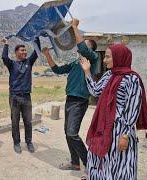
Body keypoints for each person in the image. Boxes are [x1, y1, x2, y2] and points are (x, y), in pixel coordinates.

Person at [80, 44, 147, 180]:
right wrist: (87, 72)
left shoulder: (132, 79)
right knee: (102, 160)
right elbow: (95, 91)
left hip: (120, 131)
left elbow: (133, 108)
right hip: (104, 127)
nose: (104, 60)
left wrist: (125, 135)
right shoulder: (109, 75)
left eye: (107, 56)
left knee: (120, 165)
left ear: (119, 57)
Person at [41, 18, 98, 175]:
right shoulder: (75, 63)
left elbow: (83, 48)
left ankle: (89, 165)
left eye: (85, 43)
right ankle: (75, 163)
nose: (80, 45)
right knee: (68, 133)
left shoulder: (92, 59)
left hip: (80, 101)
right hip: (70, 100)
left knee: (72, 133)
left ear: (91, 49)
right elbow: (57, 70)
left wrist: (74, 28)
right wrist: (47, 55)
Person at [1, 36, 40, 154]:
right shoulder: (12, 64)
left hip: (27, 96)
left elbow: (37, 51)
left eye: (25, 50)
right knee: (15, 121)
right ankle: (16, 143)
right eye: (22, 50)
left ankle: (29, 142)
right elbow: (4, 57)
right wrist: (6, 44)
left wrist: (36, 36)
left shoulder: (29, 62)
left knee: (28, 121)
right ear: (16, 52)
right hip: (14, 97)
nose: (25, 52)